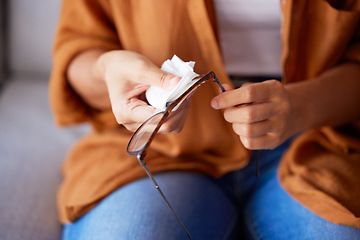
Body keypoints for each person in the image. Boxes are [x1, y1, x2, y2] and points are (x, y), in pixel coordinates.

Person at [50, 0, 360, 239]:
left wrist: (302, 107)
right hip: (160, 151)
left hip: (317, 138)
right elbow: (79, 47)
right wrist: (106, 69)